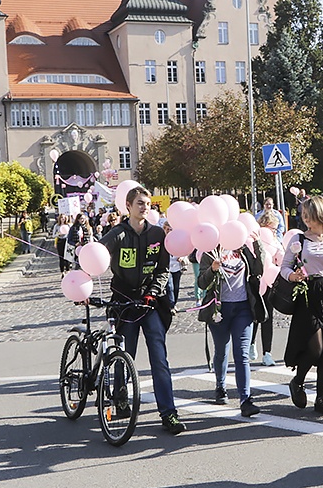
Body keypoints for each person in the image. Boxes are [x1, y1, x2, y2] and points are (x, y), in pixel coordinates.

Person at [100, 186, 185, 435]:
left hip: (150, 304)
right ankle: (121, 396)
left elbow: (162, 270)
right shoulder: (117, 234)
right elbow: (98, 255)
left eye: (147, 203)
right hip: (125, 303)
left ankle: (168, 413)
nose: (145, 207)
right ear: (128, 206)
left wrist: (153, 292)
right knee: (125, 355)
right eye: (139, 203)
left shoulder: (157, 234)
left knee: (159, 358)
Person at [281, 195, 323, 416]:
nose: (305, 219)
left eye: (309, 215)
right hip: (309, 293)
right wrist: (293, 276)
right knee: (315, 348)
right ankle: (298, 381)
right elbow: (284, 267)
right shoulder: (299, 239)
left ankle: (321, 397)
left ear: (320, 214)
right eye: (303, 215)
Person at [197, 236, 266, 418]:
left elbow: (259, 269)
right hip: (219, 308)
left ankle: (246, 399)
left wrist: (258, 246)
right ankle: (220, 386)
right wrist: (212, 269)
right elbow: (201, 282)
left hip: (243, 308)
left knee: (242, 354)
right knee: (221, 350)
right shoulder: (210, 251)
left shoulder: (242, 248)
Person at [251, 210, 280, 366]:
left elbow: (280, 257)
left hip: (269, 282)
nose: (274, 231)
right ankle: (252, 343)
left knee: (268, 318)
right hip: (256, 283)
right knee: (256, 316)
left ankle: (267, 353)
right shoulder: (254, 239)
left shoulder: (275, 241)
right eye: (272, 228)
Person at [158, 218, 184, 314]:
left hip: (177, 266)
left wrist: (182, 258)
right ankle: (171, 305)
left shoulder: (178, 240)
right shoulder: (161, 240)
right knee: (170, 287)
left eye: (171, 229)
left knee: (176, 287)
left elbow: (184, 250)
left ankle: (174, 303)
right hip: (166, 267)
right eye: (167, 229)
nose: (169, 231)